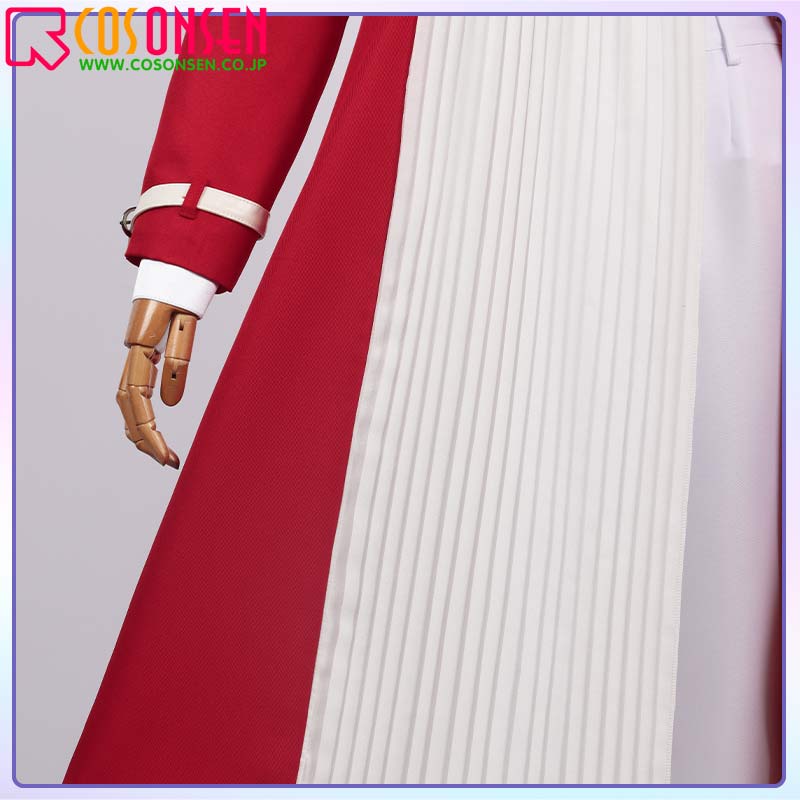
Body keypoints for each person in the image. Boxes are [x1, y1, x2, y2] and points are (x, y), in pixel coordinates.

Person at [65, 14, 782, 785]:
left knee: (710, 619)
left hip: (730, 105)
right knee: (415, 600)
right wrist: (185, 243)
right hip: (470, 117)